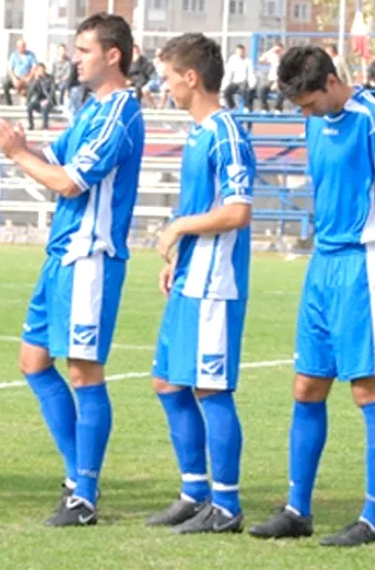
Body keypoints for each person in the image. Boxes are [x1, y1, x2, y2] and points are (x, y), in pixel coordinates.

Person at [249, 46, 375, 546]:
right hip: (323, 267)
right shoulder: (315, 121)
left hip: (366, 267)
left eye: (309, 103)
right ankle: (298, 509)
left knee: (369, 391)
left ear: (332, 82)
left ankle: (374, 519)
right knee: (306, 387)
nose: (305, 114)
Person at [0, 13, 144, 527]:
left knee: (83, 371)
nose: (75, 58)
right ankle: (78, 476)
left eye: (82, 50)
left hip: (89, 259)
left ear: (112, 54)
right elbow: (49, 158)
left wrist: (15, 151)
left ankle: (85, 494)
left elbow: (69, 182)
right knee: (33, 361)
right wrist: (11, 144)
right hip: (61, 257)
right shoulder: (93, 110)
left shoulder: (121, 113)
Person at [146, 33, 254, 534]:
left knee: (210, 388)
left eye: (168, 77)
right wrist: (177, 256)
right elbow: (199, 203)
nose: (164, 87)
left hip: (216, 283)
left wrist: (178, 229)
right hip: (191, 275)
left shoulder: (227, 132)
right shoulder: (198, 134)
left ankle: (227, 506)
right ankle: (195, 491)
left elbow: (236, 211)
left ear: (191, 78)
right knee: (168, 381)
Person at [2, 39, 37, 105]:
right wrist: (14, 79)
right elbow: (10, 69)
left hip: (26, 77)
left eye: (24, 46)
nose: (23, 48)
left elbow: (34, 67)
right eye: (21, 46)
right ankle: (9, 104)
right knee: (5, 84)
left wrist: (29, 77)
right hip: (16, 77)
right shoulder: (13, 55)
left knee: (32, 85)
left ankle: (28, 104)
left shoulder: (31, 55)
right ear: (17, 47)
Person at [222, 45, 255, 110]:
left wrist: (252, 85)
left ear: (244, 51)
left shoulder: (248, 61)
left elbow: (251, 74)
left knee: (243, 89)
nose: (240, 53)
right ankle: (233, 107)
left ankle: (246, 107)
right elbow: (228, 73)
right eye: (239, 52)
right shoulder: (233, 59)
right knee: (226, 92)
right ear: (236, 52)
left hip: (244, 81)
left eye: (242, 52)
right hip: (235, 82)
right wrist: (224, 85)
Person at [26, 63, 56, 131]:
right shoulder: (37, 79)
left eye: (42, 69)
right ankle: (31, 125)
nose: (41, 71)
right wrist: (36, 80)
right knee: (29, 107)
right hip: (39, 100)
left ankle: (45, 127)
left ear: (44, 69)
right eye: (39, 70)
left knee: (44, 107)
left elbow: (52, 91)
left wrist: (47, 100)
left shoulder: (51, 78)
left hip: (49, 100)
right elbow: (31, 91)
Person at [255, 41, 285, 112]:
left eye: (278, 50)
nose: (277, 52)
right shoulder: (273, 57)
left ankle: (278, 108)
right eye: (276, 50)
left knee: (281, 92)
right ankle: (265, 107)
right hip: (271, 81)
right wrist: (271, 50)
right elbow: (261, 60)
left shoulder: (285, 59)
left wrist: (277, 83)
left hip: (281, 82)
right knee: (261, 90)